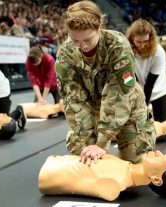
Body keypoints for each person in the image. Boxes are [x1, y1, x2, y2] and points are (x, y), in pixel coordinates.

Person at [55, 1, 156, 165]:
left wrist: (102, 143)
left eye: (88, 39)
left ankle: (143, 130)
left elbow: (119, 96)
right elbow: (74, 101)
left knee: (136, 160)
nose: (82, 46)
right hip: (93, 109)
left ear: (99, 27)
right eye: (75, 41)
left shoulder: (117, 45)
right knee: (84, 157)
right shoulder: (66, 53)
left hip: (127, 106)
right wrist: (88, 142)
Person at [38, 150, 166, 201]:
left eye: (162, 158)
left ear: (156, 180)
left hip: (47, 174)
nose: (158, 152)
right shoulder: (125, 166)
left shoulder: (115, 184)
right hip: (55, 162)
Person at [126, 19, 166, 122]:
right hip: (136, 87)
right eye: (138, 42)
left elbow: (150, 84)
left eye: (145, 41)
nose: (142, 45)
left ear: (150, 38)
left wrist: (144, 105)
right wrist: (134, 94)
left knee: (163, 134)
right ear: (132, 38)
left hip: (158, 89)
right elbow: (127, 76)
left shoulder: (158, 52)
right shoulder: (125, 50)